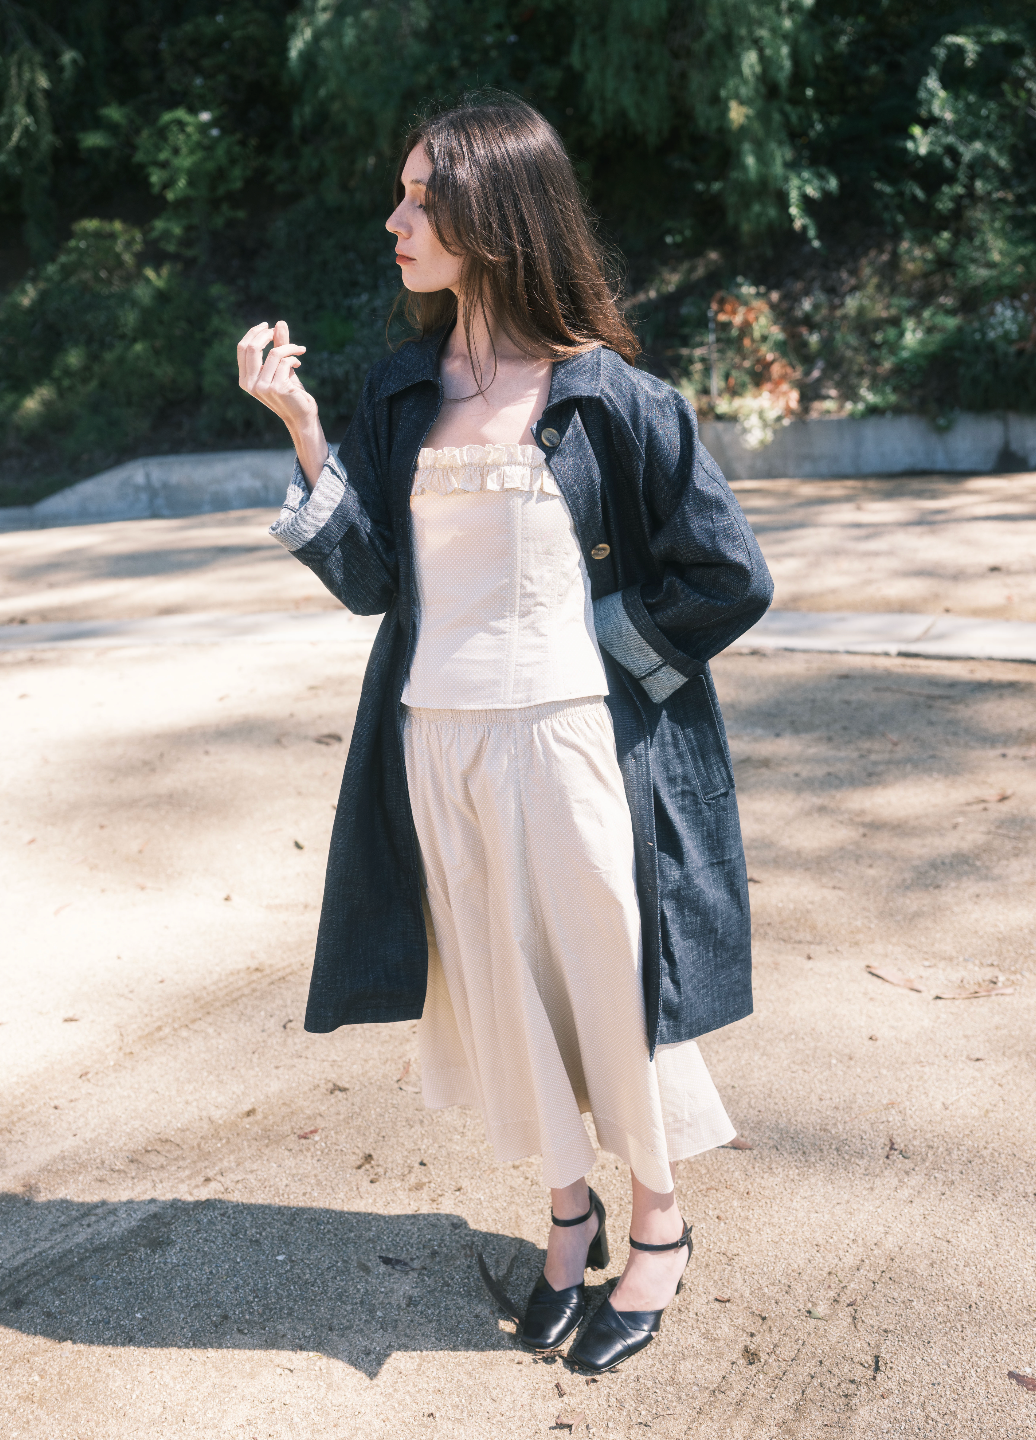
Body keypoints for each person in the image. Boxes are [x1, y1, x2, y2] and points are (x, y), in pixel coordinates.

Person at [236, 93, 772, 1374]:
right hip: (438, 745)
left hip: (571, 748)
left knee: (604, 990)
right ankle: (567, 1214)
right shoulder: (403, 389)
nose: (397, 217)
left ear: (496, 209)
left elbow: (730, 575)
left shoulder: (610, 399)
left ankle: (660, 1226)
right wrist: (307, 438)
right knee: (500, 996)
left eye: (422, 195)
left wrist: (610, 657)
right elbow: (373, 581)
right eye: (403, 193)